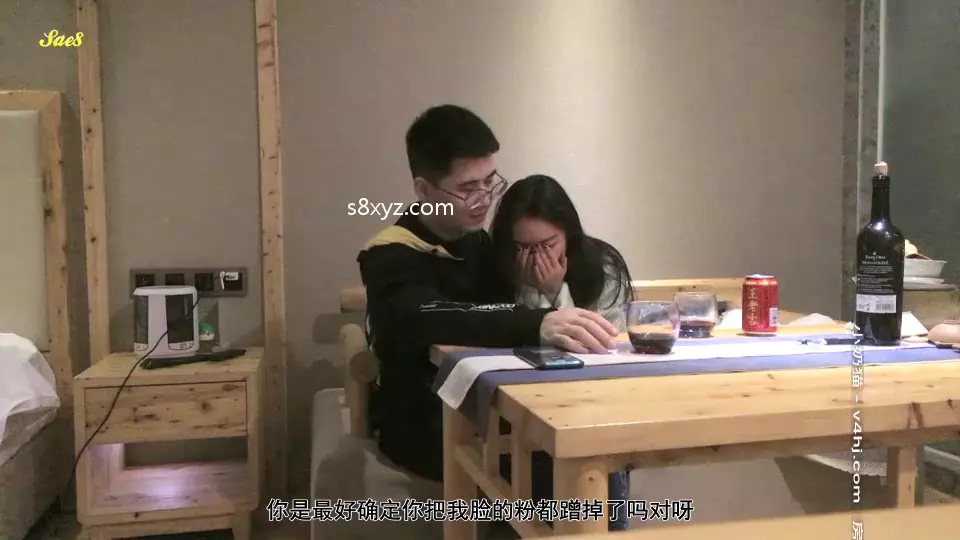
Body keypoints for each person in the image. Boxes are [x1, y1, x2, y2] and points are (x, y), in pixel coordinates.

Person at [356, 105, 619, 486]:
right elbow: (427, 317)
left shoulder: (480, 243)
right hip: (423, 424)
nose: (483, 199)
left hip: (492, 409)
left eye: (489, 182)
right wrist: (536, 322)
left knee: (596, 449)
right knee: (562, 472)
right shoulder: (390, 255)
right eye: (467, 189)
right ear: (424, 190)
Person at [489, 174, 635, 531]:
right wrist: (532, 293)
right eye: (523, 247)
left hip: (592, 401)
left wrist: (557, 292)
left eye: (547, 244)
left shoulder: (602, 266)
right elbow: (511, 341)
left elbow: (604, 346)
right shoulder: (495, 270)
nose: (535, 257)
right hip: (516, 405)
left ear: (568, 235)